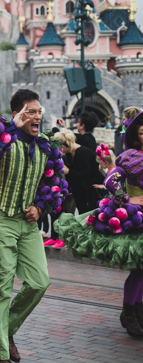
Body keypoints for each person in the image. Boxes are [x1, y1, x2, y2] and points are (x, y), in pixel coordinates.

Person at [0, 89, 65, 363]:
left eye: (39, 111)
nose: (37, 116)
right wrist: (8, 129)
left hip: (27, 223)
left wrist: (41, 207)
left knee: (39, 282)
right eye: (30, 111)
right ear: (16, 114)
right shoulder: (2, 140)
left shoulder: (46, 146)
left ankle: (6, 329)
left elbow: (54, 183)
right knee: (1, 286)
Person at [57, 110, 143, 339]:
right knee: (139, 269)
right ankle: (129, 313)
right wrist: (127, 198)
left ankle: (138, 310)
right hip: (138, 216)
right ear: (136, 135)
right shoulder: (132, 156)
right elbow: (110, 180)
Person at [54, 129, 102, 215]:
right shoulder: (69, 154)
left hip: (92, 189)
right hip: (79, 190)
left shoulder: (82, 153)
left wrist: (69, 171)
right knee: (82, 212)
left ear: (63, 146)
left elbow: (87, 174)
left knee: (89, 214)